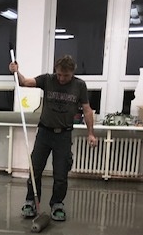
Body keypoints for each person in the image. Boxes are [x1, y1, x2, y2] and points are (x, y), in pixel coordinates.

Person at [9, 55, 97, 221]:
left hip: (64, 135)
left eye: (66, 75)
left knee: (61, 174)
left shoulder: (79, 85)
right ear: (56, 71)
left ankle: (57, 204)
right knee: (35, 169)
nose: (62, 78)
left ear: (72, 73)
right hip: (44, 133)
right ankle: (31, 202)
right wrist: (16, 71)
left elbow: (87, 110)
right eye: (59, 74)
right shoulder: (48, 80)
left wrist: (90, 133)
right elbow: (24, 82)